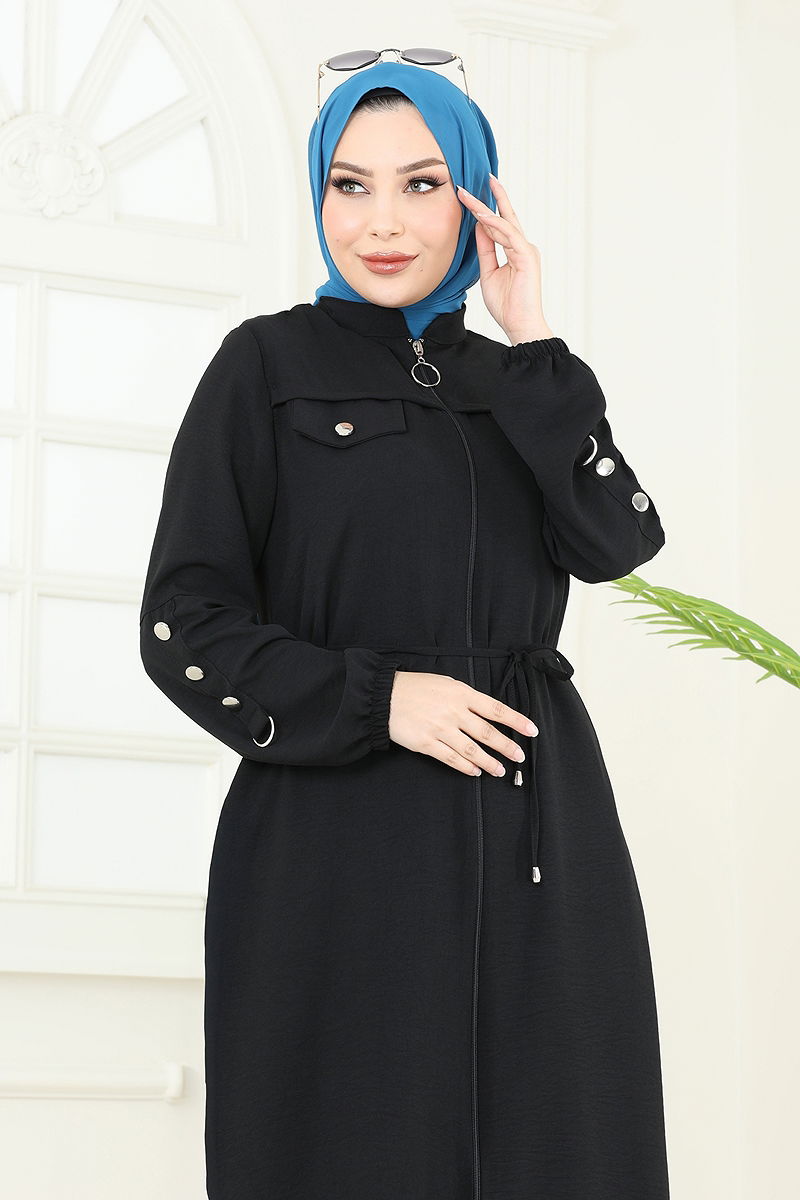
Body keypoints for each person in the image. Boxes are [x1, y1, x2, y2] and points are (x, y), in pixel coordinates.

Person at [140, 56, 671, 1200]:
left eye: (421, 185)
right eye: (350, 185)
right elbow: (184, 623)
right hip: (333, 837)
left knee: (557, 1144)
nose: (379, 222)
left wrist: (533, 341)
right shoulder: (265, 365)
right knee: (342, 1144)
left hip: (535, 836)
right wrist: (378, 699)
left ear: (473, 197)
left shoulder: (518, 383)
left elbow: (616, 542)